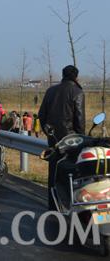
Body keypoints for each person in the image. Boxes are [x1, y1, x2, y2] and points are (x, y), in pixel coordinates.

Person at [39, 65, 85, 210]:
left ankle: (53, 204)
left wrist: (49, 133)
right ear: (76, 76)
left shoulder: (50, 91)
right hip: (71, 139)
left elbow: (41, 115)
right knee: (72, 171)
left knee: (53, 171)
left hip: (53, 139)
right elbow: (80, 118)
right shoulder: (77, 92)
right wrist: (80, 137)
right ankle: (71, 204)